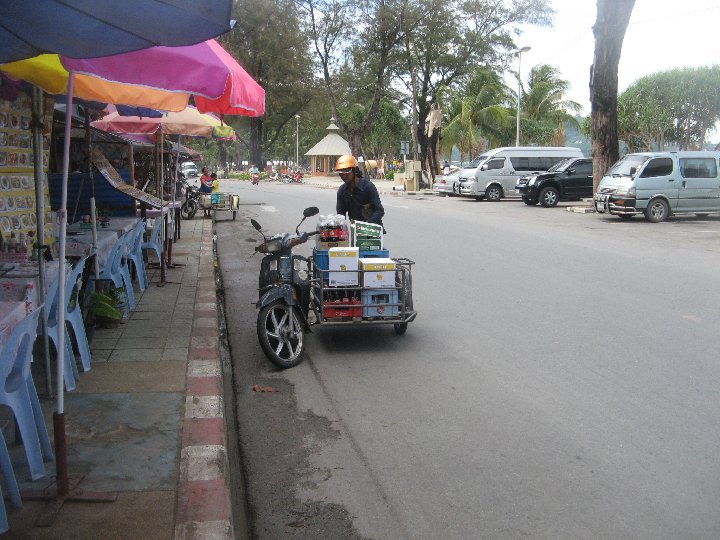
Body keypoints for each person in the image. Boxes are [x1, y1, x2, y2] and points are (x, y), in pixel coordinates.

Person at [335, 154, 385, 227]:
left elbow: (379, 211)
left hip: (372, 231)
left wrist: (366, 225)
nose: (344, 177)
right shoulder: (342, 191)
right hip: (356, 231)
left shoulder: (368, 187)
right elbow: (340, 215)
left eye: (346, 174)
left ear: (355, 171)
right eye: (341, 174)